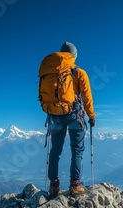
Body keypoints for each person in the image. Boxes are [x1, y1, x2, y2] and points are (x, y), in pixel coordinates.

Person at [47, 41, 96, 198]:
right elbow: (87, 97)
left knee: (55, 150)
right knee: (77, 150)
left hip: (54, 115)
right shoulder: (79, 72)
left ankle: (54, 185)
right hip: (74, 115)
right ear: (74, 56)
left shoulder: (51, 72)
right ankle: (75, 185)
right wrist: (91, 116)